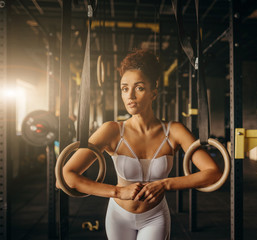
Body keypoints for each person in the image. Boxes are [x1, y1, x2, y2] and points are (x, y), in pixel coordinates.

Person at [58, 49, 222, 240]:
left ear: (154, 92)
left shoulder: (174, 131)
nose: (130, 96)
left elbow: (213, 173)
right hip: (118, 216)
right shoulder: (111, 130)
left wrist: (165, 184)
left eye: (139, 87)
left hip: (155, 216)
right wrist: (117, 191)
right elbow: (67, 175)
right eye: (125, 88)